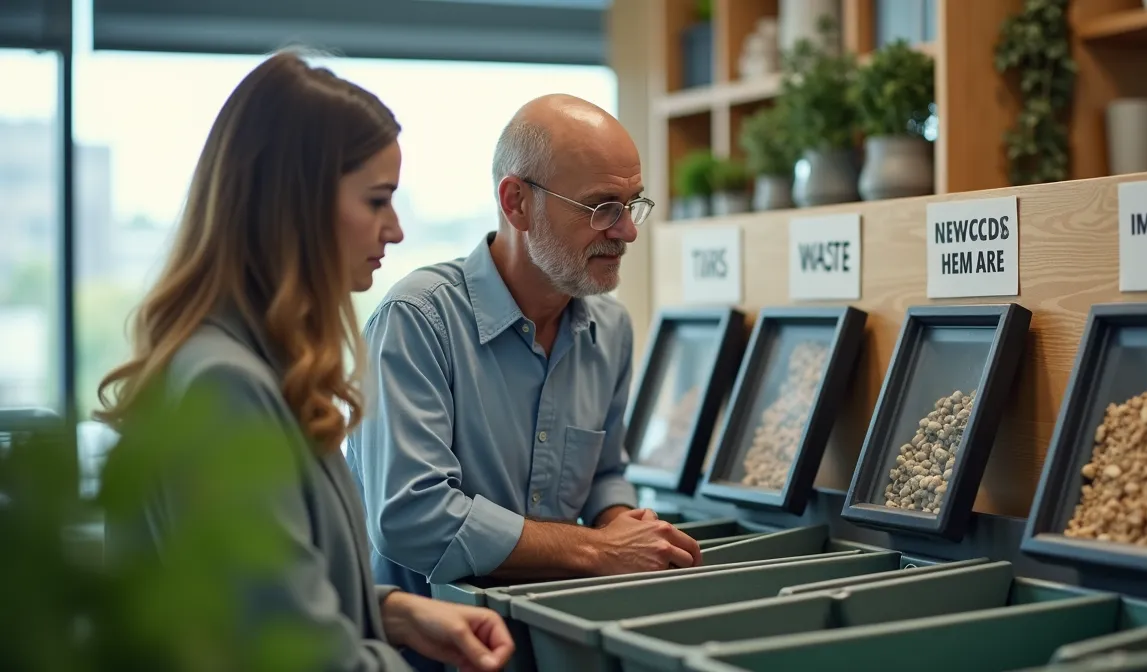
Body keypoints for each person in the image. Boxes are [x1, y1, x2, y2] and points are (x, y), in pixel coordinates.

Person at [94, 51, 513, 672]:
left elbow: (256, 598)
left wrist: (394, 611)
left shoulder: (241, 366)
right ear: (295, 206)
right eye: (377, 201)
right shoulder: (226, 388)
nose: (395, 230)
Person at [346, 95, 702, 605]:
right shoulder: (417, 320)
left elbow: (604, 474)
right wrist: (599, 549)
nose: (627, 231)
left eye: (633, 205)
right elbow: (412, 518)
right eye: (603, 207)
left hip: (556, 641)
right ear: (516, 203)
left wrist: (622, 521)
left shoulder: (611, 328)